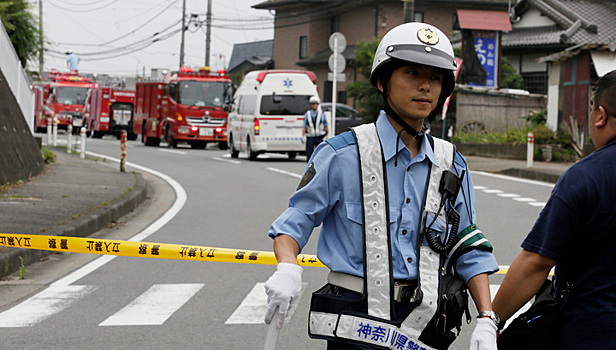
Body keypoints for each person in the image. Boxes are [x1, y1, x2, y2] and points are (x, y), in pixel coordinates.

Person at [264, 22, 499, 350]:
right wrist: (288, 265)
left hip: (425, 328)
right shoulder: (341, 155)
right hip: (354, 327)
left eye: (435, 78)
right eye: (412, 73)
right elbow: (297, 220)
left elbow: (467, 245)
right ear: (382, 81)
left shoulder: (451, 164)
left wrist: (488, 317)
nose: (425, 87)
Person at [491, 69, 616, 349]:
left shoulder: (586, 177)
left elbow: (536, 263)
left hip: (589, 333)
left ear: (600, 115)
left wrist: (492, 320)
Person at [303, 96, 329, 160]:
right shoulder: (307, 114)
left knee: (320, 153)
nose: (313, 105)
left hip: (319, 136)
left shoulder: (321, 113)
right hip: (310, 136)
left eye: (314, 104)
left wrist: (327, 134)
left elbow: (326, 124)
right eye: (312, 104)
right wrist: (303, 136)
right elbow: (304, 126)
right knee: (309, 153)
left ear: (317, 104)